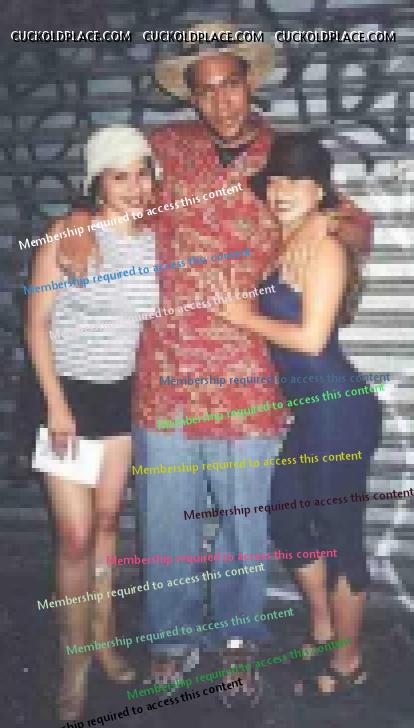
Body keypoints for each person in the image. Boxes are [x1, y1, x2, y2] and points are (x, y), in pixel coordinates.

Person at [50, 23, 372, 703]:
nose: (221, 101)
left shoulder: (282, 155)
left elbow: (358, 224)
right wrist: (77, 217)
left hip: (250, 380)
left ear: (249, 83)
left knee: (243, 528)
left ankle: (235, 642)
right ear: (190, 96)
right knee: (167, 522)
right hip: (165, 378)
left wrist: (327, 221)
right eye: (206, 90)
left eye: (231, 84)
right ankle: (170, 642)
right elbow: (113, 188)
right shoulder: (164, 151)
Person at [217, 132, 382, 697]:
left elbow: (311, 341)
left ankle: (349, 661)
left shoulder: (325, 247)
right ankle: (323, 628)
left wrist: (243, 317)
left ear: (319, 191)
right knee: (286, 520)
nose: (283, 189)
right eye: (276, 180)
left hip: (339, 410)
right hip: (312, 414)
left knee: (340, 535)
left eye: (298, 181)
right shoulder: (287, 241)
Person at [25, 125, 160, 719]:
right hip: (66, 399)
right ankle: (74, 659)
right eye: (119, 176)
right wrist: (56, 406)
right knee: (76, 535)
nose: (134, 187)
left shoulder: (155, 240)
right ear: (97, 183)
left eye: (142, 173)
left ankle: (104, 641)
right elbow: (35, 325)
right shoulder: (67, 234)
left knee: (107, 523)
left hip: (120, 399)